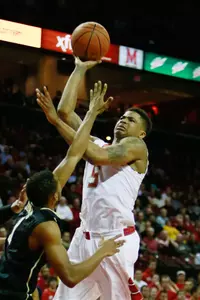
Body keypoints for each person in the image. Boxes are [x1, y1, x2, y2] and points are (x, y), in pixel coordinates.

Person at [36, 58, 152, 300]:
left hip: (116, 240)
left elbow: (94, 155)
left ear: (141, 133)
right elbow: (65, 111)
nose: (123, 120)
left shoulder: (137, 147)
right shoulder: (99, 143)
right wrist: (79, 68)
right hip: (85, 237)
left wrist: (57, 123)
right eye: (123, 117)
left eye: (131, 120)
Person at [0, 81, 125, 300]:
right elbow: (69, 276)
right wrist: (103, 252)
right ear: (55, 195)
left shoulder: (27, 207)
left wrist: (86, 115)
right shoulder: (46, 226)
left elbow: (74, 154)